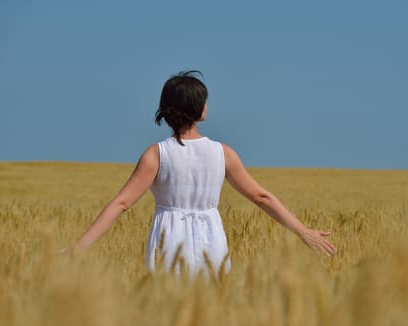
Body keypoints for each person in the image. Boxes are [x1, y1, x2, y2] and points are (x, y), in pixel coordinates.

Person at [74, 71, 336, 278]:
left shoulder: (156, 154)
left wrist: (79, 248)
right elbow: (261, 197)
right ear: (197, 108)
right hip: (211, 238)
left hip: (168, 237)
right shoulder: (222, 153)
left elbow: (120, 204)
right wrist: (303, 231)